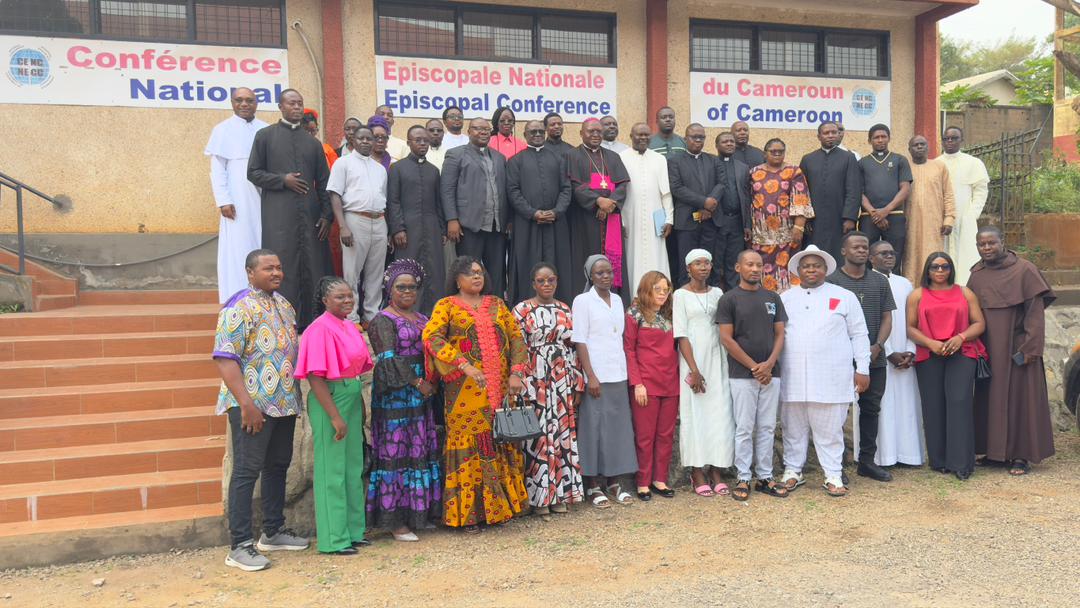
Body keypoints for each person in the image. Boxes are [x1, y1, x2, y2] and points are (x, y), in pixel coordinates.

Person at [213, 249, 308, 571]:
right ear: (250, 272)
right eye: (268, 268)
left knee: (278, 465)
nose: (276, 273)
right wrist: (246, 404)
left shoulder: (284, 305)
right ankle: (239, 545)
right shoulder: (238, 307)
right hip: (252, 404)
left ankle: (273, 530)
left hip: (282, 402)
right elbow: (226, 358)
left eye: (279, 267)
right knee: (245, 471)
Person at [422, 256, 529, 533]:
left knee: (498, 441)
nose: (476, 277)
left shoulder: (497, 304)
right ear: (457, 279)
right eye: (469, 274)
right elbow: (432, 338)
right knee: (471, 447)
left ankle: (501, 510)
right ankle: (469, 515)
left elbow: (516, 337)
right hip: (464, 392)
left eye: (480, 272)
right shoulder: (445, 306)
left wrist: (517, 371)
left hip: (501, 389)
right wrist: (463, 364)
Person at [779, 245, 871, 497]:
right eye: (806, 265)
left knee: (829, 430)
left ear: (825, 269)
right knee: (792, 428)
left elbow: (859, 334)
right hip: (793, 375)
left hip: (831, 376)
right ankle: (792, 471)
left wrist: (862, 368)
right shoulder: (785, 297)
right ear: (798, 270)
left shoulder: (844, 296)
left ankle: (833, 474)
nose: (811, 269)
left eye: (816, 265)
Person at [294, 276, 374, 554]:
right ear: (325, 300)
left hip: (351, 395)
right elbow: (315, 377)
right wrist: (335, 416)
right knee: (332, 469)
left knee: (353, 466)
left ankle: (353, 531)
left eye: (349, 296)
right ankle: (334, 538)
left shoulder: (349, 326)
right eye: (340, 297)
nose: (347, 301)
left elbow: (359, 369)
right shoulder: (318, 330)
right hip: (330, 397)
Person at [967, 226, 1056, 475]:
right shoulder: (977, 273)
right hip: (988, 349)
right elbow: (971, 313)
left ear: (1002, 241)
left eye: (991, 243)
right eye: (981, 244)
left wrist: (1030, 349)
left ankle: (1020, 456)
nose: (986, 248)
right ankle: (994, 453)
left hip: (1017, 348)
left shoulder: (1025, 270)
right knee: (989, 399)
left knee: (1021, 401)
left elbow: (1035, 314)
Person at [366, 259, 442, 541]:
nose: (407, 292)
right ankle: (396, 521)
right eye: (401, 287)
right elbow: (387, 359)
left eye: (412, 287)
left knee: (420, 450)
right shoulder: (382, 320)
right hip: (395, 396)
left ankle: (419, 515)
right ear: (389, 288)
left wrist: (432, 380)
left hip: (422, 396)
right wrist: (417, 382)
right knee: (396, 453)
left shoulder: (423, 319)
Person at [248, 89, 333, 331]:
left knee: (313, 266)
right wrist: (282, 180)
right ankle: (281, 321)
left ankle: (314, 324)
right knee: (282, 264)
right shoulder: (265, 136)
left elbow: (325, 181)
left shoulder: (312, 143)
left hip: (311, 215)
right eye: (291, 103)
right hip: (279, 215)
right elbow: (253, 173)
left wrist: (327, 216)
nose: (296, 107)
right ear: (280, 106)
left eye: (300, 103)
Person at [512, 262, 585, 516]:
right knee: (539, 437)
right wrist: (519, 379)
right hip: (535, 380)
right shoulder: (522, 310)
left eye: (551, 280)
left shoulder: (565, 308)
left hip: (561, 378)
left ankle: (561, 495)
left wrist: (577, 381)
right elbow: (516, 347)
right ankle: (539, 499)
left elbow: (573, 347)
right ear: (533, 283)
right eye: (541, 281)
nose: (546, 285)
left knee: (562, 434)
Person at [906, 252, 986, 480]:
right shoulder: (917, 295)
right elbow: (910, 327)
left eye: (945, 267)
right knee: (933, 406)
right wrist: (930, 342)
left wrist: (960, 337)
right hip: (929, 353)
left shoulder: (964, 292)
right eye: (935, 267)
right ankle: (939, 460)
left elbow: (979, 323)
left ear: (951, 269)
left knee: (959, 402)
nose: (940, 271)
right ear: (927, 270)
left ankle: (961, 463)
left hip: (962, 352)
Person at [717, 250, 788, 501]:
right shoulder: (729, 299)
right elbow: (726, 338)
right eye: (749, 264)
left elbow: (780, 333)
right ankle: (743, 477)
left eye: (759, 265)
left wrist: (769, 365)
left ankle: (765, 477)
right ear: (738, 267)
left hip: (771, 374)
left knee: (768, 427)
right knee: (745, 428)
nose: (755, 269)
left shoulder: (772, 297)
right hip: (742, 375)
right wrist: (754, 367)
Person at [826, 231, 897, 482]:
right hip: (840, 361)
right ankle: (838, 466)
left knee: (871, 410)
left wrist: (877, 344)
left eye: (865, 247)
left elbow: (888, 316)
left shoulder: (879, 281)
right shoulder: (831, 282)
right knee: (838, 413)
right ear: (843, 251)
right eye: (855, 247)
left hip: (874, 357)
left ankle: (867, 461)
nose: (861, 251)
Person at [573, 255, 639, 508]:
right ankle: (593, 485)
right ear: (590, 275)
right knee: (594, 429)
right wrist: (590, 375)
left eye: (609, 272)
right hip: (596, 376)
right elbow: (580, 340)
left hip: (618, 373)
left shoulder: (618, 299)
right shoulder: (583, 301)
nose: (606, 276)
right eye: (600, 273)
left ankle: (614, 481)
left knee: (617, 430)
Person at [673, 250, 735, 497]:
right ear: (688, 268)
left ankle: (716, 470)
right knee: (695, 414)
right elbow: (681, 334)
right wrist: (694, 370)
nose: (704, 267)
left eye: (707, 262)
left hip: (718, 359)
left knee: (720, 413)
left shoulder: (718, 293)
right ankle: (697, 470)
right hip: (693, 361)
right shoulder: (680, 295)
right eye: (698, 263)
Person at [206, 86, 267, 303]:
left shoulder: (265, 129)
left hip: (264, 198)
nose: (244, 104)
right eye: (239, 100)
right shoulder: (222, 130)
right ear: (232, 103)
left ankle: (263, 295)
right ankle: (238, 298)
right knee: (238, 248)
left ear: (256, 103)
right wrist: (224, 200)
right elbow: (217, 169)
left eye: (249, 100)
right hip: (237, 200)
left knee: (263, 244)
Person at [624, 271, 679, 501]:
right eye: (658, 289)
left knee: (666, 434)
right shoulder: (634, 313)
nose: (663, 294)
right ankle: (643, 482)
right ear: (647, 289)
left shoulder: (671, 313)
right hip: (646, 383)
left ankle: (660, 479)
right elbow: (629, 349)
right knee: (645, 436)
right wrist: (637, 383)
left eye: (666, 290)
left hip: (671, 382)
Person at [869, 240, 924, 468]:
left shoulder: (905, 284)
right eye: (882, 253)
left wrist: (910, 351)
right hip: (880, 354)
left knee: (907, 405)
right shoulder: (868, 281)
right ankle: (884, 457)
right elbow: (873, 320)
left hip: (906, 355)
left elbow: (914, 320)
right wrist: (888, 351)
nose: (889, 257)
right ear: (871, 258)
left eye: (892, 253)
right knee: (882, 406)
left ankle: (908, 455)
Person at [441, 118, 509, 298]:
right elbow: (447, 190)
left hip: (496, 226)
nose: (483, 132)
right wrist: (452, 219)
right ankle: (468, 308)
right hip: (468, 225)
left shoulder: (499, 157)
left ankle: (495, 310)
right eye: (478, 129)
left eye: (487, 129)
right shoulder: (455, 154)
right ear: (469, 131)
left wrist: (507, 220)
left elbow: (504, 191)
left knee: (496, 272)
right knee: (468, 271)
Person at [507, 120, 573, 304]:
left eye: (540, 131)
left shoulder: (558, 159)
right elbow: (513, 191)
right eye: (532, 131)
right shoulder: (515, 161)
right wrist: (532, 213)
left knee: (557, 264)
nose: (537, 135)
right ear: (525, 134)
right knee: (529, 263)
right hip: (527, 224)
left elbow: (566, 189)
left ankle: (560, 305)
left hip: (556, 223)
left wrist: (557, 211)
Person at [327, 125, 388, 324]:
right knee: (352, 273)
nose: (365, 142)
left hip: (379, 221)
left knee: (375, 273)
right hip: (354, 219)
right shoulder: (343, 163)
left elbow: (383, 197)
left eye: (369, 139)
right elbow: (335, 195)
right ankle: (351, 317)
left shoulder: (380, 169)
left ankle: (371, 316)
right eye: (361, 138)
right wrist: (343, 225)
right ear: (353, 140)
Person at [566, 119, 631, 297]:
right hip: (585, 220)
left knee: (613, 261)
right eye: (590, 131)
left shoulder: (613, 157)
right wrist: (597, 201)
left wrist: (610, 203)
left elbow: (622, 185)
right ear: (581, 133)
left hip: (611, 217)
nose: (595, 135)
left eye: (598, 132)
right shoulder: (572, 155)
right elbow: (575, 186)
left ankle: (615, 296)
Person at [387, 125, 445, 316]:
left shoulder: (433, 171)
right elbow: (393, 201)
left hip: (431, 227)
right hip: (408, 228)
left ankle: (433, 313)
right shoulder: (397, 168)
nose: (422, 144)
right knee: (408, 269)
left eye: (425, 140)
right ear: (408, 142)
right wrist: (397, 229)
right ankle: (408, 312)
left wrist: (442, 229)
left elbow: (438, 203)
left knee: (434, 270)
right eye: (418, 140)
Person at [749, 138, 813, 293]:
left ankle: (787, 302)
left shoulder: (793, 171)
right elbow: (748, 201)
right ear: (765, 153)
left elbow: (800, 200)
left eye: (781, 151)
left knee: (786, 270)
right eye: (773, 152)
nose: (777, 154)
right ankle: (764, 301)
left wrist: (799, 227)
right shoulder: (754, 172)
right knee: (762, 268)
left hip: (787, 233)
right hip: (760, 233)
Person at [668, 123, 726, 286]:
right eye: (694, 137)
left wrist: (710, 204)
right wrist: (703, 202)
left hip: (711, 219)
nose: (698, 141)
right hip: (686, 221)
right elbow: (676, 187)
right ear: (685, 139)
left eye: (701, 137)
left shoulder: (713, 160)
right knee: (686, 264)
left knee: (709, 262)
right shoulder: (674, 161)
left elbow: (721, 184)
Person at [620, 122, 673, 291]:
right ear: (631, 136)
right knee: (631, 256)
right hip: (630, 217)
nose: (643, 138)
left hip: (654, 219)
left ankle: (658, 296)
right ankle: (634, 297)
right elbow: (619, 192)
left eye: (646, 135)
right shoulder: (621, 157)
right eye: (639, 135)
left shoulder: (659, 159)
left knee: (656, 256)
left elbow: (665, 193)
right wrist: (620, 221)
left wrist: (669, 219)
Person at [799, 121, 861, 264]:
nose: (831, 136)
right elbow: (802, 191)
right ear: (819, 136)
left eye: (834, 132)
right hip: (814, 219)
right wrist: (805, 218)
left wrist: (850, 218)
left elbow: (854, 189)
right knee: (814, 254)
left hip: (839, 217)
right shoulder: (808, 159)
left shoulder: (848, 158)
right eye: (826, 133)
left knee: (838, 254)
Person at [938, 126, 990, 284]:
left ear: (962, 140)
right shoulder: (936, 163)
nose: (950, 142)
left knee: (967, 254)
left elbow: (981, 190)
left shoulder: (973, 163)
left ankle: (965, 287)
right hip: (942, 219)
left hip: (964, 217)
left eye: (954, 138)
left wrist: (972, 215)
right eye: (946, 138)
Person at [859, 124, 913, 273]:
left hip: (894, 216)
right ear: (870, 140)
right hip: (868, 218)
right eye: (876, 137)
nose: (880, 140)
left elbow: (905, 188)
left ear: (889, 138)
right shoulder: (862, 163)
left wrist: (886, 210)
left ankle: (894, 289)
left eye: (884, 137)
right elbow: (859, 191)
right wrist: (874, 213)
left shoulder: (900, 160)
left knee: (894, 257)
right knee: (867, 257)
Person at [904, 135, 956, 284]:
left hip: (934, 223)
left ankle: (934, 285)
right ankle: (912, 288)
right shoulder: (904, 166)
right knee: (910, 256)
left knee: (932, 254)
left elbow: (948, 194)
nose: (919, 147)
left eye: (923, 144)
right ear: (909, 149)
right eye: (915, 145)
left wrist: (949, 219)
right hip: (910, 221)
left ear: (928, 147)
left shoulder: (939, 167)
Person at [715, 131, 753, 288]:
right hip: (716, 222)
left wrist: (747, 225)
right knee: (716, 263)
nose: (730, 144)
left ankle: (733, 297)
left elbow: (746, 197)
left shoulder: (742, 167)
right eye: (725, 141)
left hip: (736, 222)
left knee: (733, 263)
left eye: (731, 141)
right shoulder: (711, 163)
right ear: (717, 146)